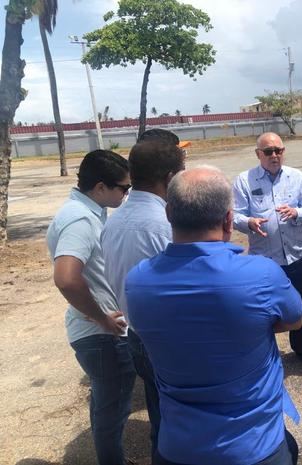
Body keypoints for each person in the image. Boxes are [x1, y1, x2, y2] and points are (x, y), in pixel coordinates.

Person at [125, 167, 302, 465]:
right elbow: (294, 320)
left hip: (178, 448)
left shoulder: (138, 281)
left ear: (169, 214)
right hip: (255, 447)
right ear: (229, 219)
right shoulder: (262, 274)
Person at [46, 150, 135, 465]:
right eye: (123, 188)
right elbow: (67, 279)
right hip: (102, 336)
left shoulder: (86, 211)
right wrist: (102, 318)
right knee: (112, 410)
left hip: (98, 332)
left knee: (106, 404)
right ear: (100, 187)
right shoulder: (81, 219)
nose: (127, 194)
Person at [100, 141, 185, 461]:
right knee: (178, 419)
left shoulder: (114, 220)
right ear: (170, 176)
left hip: (136, 334)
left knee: (158, 409)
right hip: (167, 340)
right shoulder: (164, 224)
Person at [233, 132, 302, 366]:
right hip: (264, 260)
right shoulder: (244, 180)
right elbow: (235, 215)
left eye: (278, 150)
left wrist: (297, 213)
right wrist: (248, 222)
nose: (274, 155)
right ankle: (264, 352)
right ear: (258, 154)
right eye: (268, 151)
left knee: (300, 304)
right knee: (264, 307)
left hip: (296, 255)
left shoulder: (296, 177)